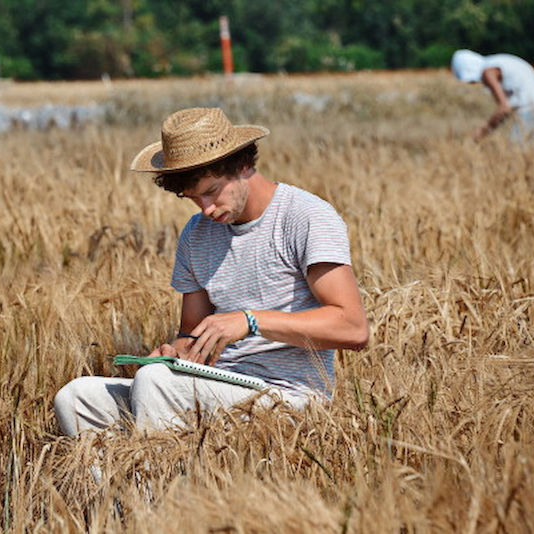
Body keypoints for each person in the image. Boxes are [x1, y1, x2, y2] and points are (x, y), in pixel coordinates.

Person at [53, 107, 369, 437]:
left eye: (212, 191)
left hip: (289, 398)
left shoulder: (306, 217)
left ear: (244, 165)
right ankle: (121, 489)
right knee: (76, 397)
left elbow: (353, 328)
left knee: (155, 384)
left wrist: (249, 321)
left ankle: (161, 487)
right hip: (217, 386)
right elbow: (191, 335)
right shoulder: (197, 233)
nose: (206, 209)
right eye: (194, 198)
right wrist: (174, 355)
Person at [450, 49, 534, 143]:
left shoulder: (488, 72)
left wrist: (480, 133)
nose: (471, 83)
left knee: (515, 151)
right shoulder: (495, 62)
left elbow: (504, 108)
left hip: (533, 109)